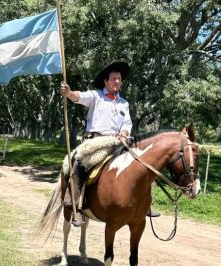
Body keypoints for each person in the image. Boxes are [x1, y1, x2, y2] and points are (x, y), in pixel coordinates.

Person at [60, 62, 159, 226]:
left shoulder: (124, 103)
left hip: (118, 142)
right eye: (114, 79)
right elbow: (79, 97)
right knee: (80, 164)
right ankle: (74, 204)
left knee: (142, 165)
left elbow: (127, 123)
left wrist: (125, 133)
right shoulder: (96, 96)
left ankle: (145, 205)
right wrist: (69, 93)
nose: (118, 82)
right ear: (106, 82)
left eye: (119, 79)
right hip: (96, 142)